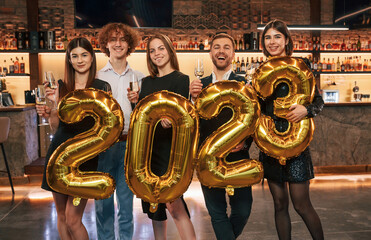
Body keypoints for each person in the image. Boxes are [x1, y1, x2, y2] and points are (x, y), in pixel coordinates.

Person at [36, 37, 111, 240]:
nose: (80, 60)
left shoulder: (102, 87)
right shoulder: (61, 86)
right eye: (74, 56)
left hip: (85, 159)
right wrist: (51, 109)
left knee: (72, 219)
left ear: (91, 57)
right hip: (58, 155)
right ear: (69, 60)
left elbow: (107, 125)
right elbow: (55, 126)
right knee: (61, 216)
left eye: (84, 55)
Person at [259, 19, 324, 240]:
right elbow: (257, 108)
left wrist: (307, 110)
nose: (272, 41)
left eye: (277, 36)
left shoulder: (301, 64)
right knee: (279, 205)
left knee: (302, 205)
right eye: (267, 37)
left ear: (287, 40)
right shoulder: (260, 71)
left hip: (296, 145)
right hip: (270, 144)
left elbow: (319, 101)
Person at [127, 34, 196, 240]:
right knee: (154, 210)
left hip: (170, 153)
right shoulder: (146, 82)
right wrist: (134, 103)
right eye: (152, 50)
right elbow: (142, 118)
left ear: (170, 50)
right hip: (148, 152)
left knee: (175, 207)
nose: (157, 54)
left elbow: (183, 118)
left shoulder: (181, 79)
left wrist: (171, 118)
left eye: (161, 49)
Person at [189, 33, 254, 240]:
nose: (221, 51)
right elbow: (191, 122)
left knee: (242, 210)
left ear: (233, 54)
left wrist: (245, 141)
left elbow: (255, 120)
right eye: (217, 47)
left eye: (226, 47)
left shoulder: (244, 84)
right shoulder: (199, 86)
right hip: (208, 159)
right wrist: (191, 99)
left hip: (238, 158)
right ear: (210, 53)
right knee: (217, 213)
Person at [94, 23, 145, 240]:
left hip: (128, 145)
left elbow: (143, 115)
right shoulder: (95, 77)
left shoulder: (140, 77)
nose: (118, 43)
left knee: (126, 206)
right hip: (102, 147)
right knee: (103, 206)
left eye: (123, 39)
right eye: (113, 39)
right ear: (106, 44)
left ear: (129, 44)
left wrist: (138, 102)